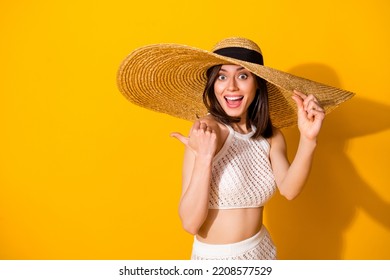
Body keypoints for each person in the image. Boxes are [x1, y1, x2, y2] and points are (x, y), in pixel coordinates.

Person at [117, 37, 354, 260]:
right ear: (212, 85)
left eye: (243, 76)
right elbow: (190, 224)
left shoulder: (270, 136)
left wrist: (308, 138)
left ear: (258, 84)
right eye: (221, 77)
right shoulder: (206, 131)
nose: (230, 87)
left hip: (263, 251)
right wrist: (204, 158)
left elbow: (290, 190)